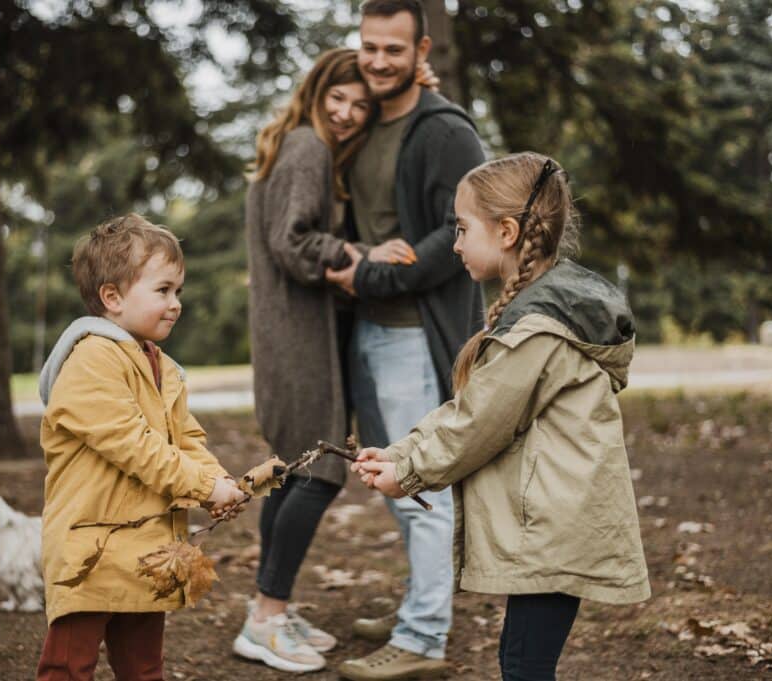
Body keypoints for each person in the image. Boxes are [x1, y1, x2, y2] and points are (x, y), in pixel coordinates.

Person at [352, 153, 652, 681]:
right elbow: (473, 408)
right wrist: (402, 452)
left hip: (555, 521)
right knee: (522, 662)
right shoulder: (538, 313)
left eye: (463, 228)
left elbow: (479, 423)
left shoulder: (537, 328)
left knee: (523, 666)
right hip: (554, 517)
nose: (456, 244)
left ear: (507, 231)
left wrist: (410, 472)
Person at [324, 2, 485, 679]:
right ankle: (423, 602)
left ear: (421, 48)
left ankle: (423, 637)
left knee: (421, 487)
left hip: (417, 336)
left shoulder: (445, 131)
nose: (380, 61)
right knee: (395, 481)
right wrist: (356, 262)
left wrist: (375, 273)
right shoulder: (364, 122)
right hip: (368, 330)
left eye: (394, 48)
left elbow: (459, 233)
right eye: (370, 47)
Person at [35, 214, 246, 681]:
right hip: (90, 550)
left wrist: (219, 482)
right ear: (112, 297)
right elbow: (135, 446)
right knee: (68, 667)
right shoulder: (90, 359)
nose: (175, 304)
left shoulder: (161, 366)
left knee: (144, 668)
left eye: (179, 292)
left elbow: (185, 438)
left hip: (147, 548)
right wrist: (204, 485)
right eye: (163, 290)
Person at [237, 47, 375, 675]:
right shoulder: (307, 148)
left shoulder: (297, 144)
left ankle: (270, 611)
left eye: (359, 105)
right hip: (298, 341)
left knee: (294, 471)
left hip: (289, 337)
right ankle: (265, 616)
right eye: (336, 100)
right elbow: (291, 242)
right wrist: (358, 254)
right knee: (320, 473)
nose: (345, 114)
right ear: (314, 95)